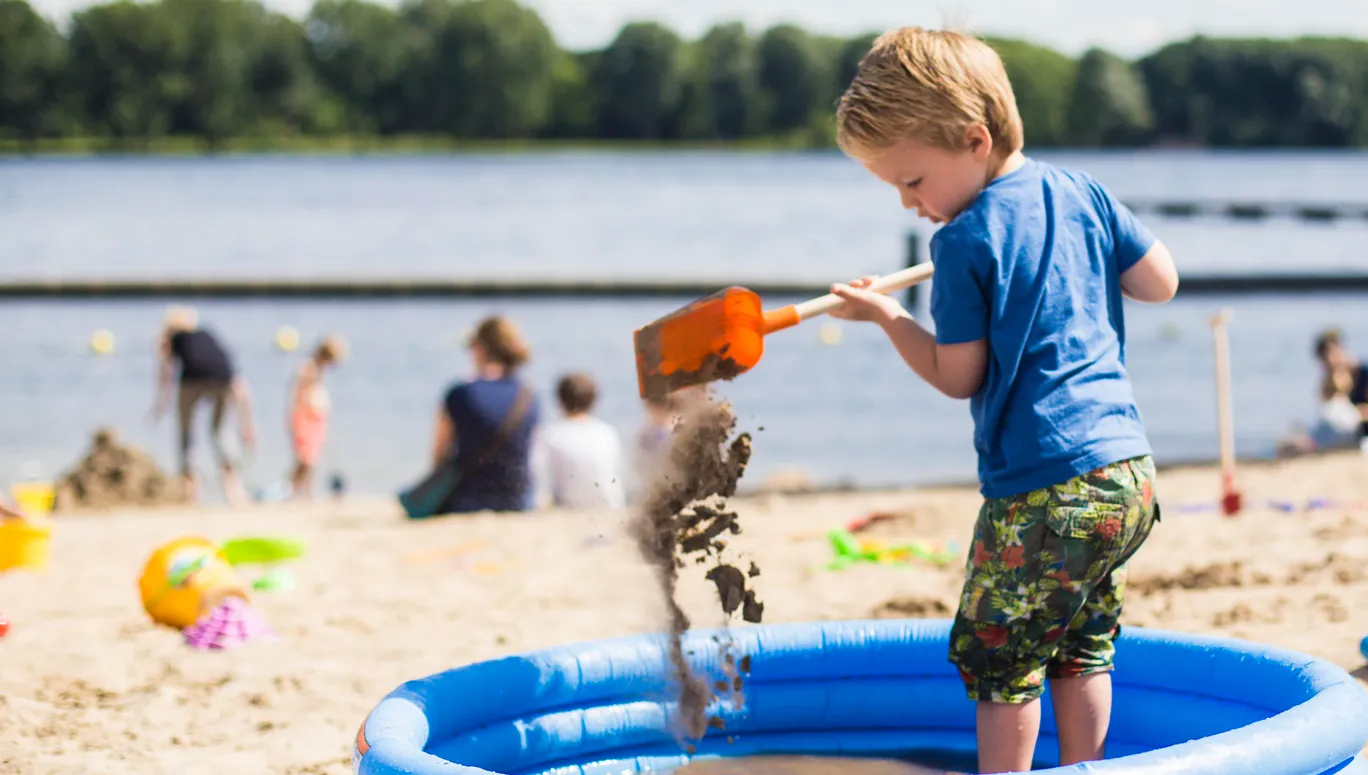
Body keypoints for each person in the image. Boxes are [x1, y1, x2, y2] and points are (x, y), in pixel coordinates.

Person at [828, 27, 1179, 774]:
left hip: (1041, 486)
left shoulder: (963, 241)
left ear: (974, 138)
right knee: (1082, 643)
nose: (909, 201)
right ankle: (1086, 766)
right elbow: (1159, 283)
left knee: (1000, 656)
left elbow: (957, 375)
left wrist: (889, 317)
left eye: (914, 180)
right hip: (1126, 471)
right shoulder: (1081, 190)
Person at [427, 315, 540, 514]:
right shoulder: (529, 396)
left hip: (468, 498)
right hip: (519, 499)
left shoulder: (460, 393)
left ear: (480, 348)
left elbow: (439, 454)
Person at [152, 305, 257, 505]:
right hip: (224, 379)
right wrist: (247, 422)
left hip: (192, 380)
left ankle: (191, 491)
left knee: (186, 434)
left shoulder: (173, 338)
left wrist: (160, 404)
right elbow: (231, 370)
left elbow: (165, 373)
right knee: (221, 432)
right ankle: (233, 490)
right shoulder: (206, 334)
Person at [533, 372, 627, 510]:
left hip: (568, 506)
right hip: (610, 504)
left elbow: (539, 478)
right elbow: (617, 470)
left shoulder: (549, 434)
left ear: (559, 400)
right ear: (594, 401)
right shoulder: (607, 432)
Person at [288, 335, 348, 499]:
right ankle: (294, 490)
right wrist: (293, 417)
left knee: (312, 457)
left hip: (317, 417)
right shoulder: (308, 368)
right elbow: (297, 394)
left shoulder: (319, 369)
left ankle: (307, 491)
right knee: (305, 457)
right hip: (306, 417)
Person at [1313, 328, 1368, 451]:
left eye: (1332, 353)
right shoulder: (1331, 380)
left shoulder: (1363, 373)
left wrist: (1356, 414)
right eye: (1325, 357)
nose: (1330, 360)